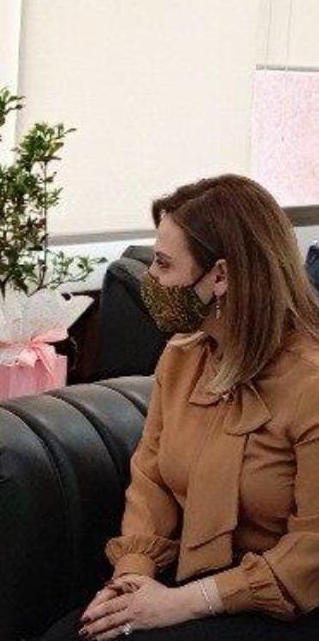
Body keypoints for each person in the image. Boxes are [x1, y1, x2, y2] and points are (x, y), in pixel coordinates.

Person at [43, 174, 319, 640]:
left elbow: (312, 550)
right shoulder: (182, 355)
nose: (150, 278)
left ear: (221, 276)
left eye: (164, 264)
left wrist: (181, 603)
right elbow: (151, 481)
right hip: (191, 582)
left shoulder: (310, 382)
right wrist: (132, 576)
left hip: (288, 603)